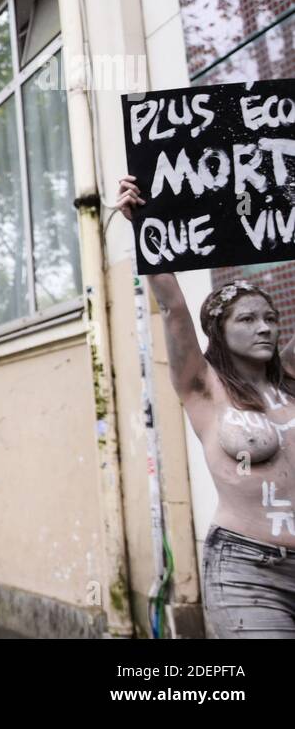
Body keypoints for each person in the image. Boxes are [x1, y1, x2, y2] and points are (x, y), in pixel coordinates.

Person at [117, 176, 295, 637]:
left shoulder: (290, 382)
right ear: (220, 329)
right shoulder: (203, 388)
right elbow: (173, 308)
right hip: (246, 570)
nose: (265, 329)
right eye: (249, 319)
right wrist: (145, 227)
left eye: (271, 319)